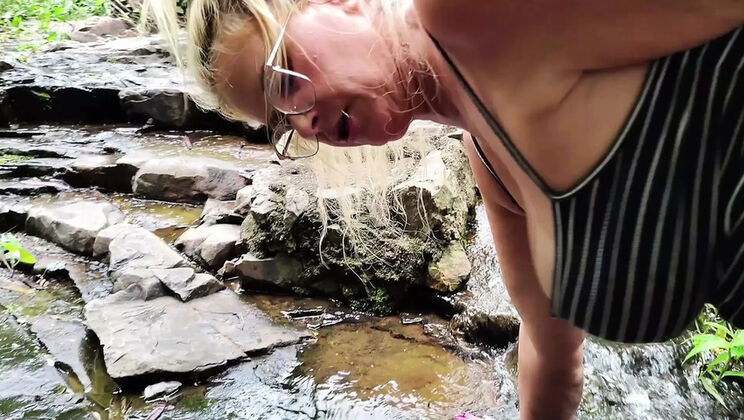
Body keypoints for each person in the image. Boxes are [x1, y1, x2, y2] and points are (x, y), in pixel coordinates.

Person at [146, 0, 744, 418]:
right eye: (281, 124)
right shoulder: (490, 164)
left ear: (337, 4)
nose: (305, 125)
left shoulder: (465, 15)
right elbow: (550, 351)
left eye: (285, 83)